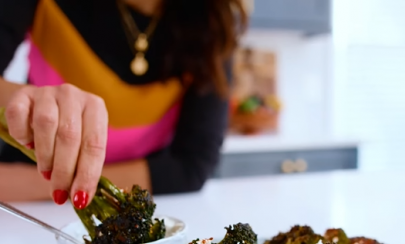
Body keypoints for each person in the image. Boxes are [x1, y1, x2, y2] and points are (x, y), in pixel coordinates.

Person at [0, 0, 247, 208]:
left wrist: (76, 185)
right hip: (25, 204)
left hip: (133, 204)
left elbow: (191, 167)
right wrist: (22, 98)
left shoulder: (211, 21)